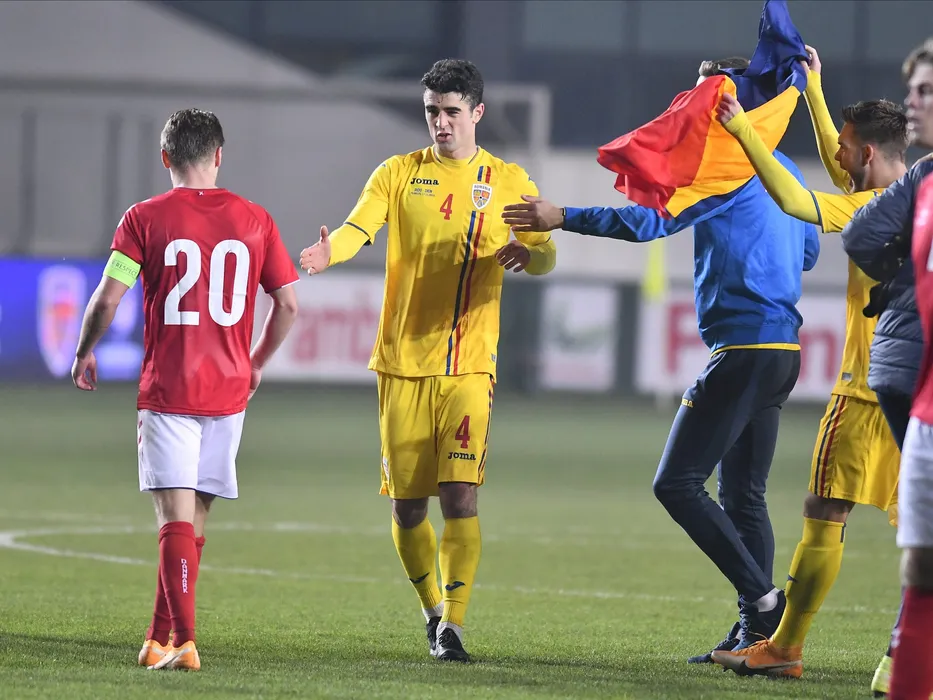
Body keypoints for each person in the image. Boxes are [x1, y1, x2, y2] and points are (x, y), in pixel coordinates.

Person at [502, 56, 819, 664]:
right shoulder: (784, 167)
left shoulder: (727, 170)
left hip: (744, 347)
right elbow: (806, 253)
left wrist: (562, 216)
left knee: (676, 483)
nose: (690, 106)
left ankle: (764, 604)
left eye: (702, 95)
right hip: (783, 351)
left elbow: (649, 224)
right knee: (744, 496)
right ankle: (759, 636)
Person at [298, 58, 556, 663]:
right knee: (408, 507)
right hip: (401, 364)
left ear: (477, 112)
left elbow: (545, 254)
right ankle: (432, 610)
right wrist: (328, 252)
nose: (440, 122)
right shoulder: (397, 174)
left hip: (469, 365)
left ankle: (454, 627)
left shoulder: (509, 180)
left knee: (461, 495)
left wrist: (530, 256)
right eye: (432, 112)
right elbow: (358, 228)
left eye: (451, 111)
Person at [70, 108, 299, 671]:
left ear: (165, 157)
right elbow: (288, 305)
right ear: (218, 155)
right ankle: (157, 638)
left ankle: (186, 642)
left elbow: (108, 297)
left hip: (170, 388)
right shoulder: (256, 219)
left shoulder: (143, 218)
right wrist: (255, 364)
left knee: (172, 520)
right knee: (191, 523)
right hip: (229, 392)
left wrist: (83, 350)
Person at [705, 45, 908, 678]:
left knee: (824, 511)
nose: (836, 157)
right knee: (921, 529)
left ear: (867, 154)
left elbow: (796, 200)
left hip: (867, 390)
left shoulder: (871, 210)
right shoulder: (911, 195)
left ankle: (784, 648)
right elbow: (837, 156)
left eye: (846, 149)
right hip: (921, 395)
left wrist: (744, 132)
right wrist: (814, 89)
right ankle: (907, 653)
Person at [838, 38, 933, 699]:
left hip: (900, 369)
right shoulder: (924, 177)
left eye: (925, 90)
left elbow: (862, 236)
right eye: (912, 87)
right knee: (921, 557)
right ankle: (901, 668)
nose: (911, 101)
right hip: (919, 388)